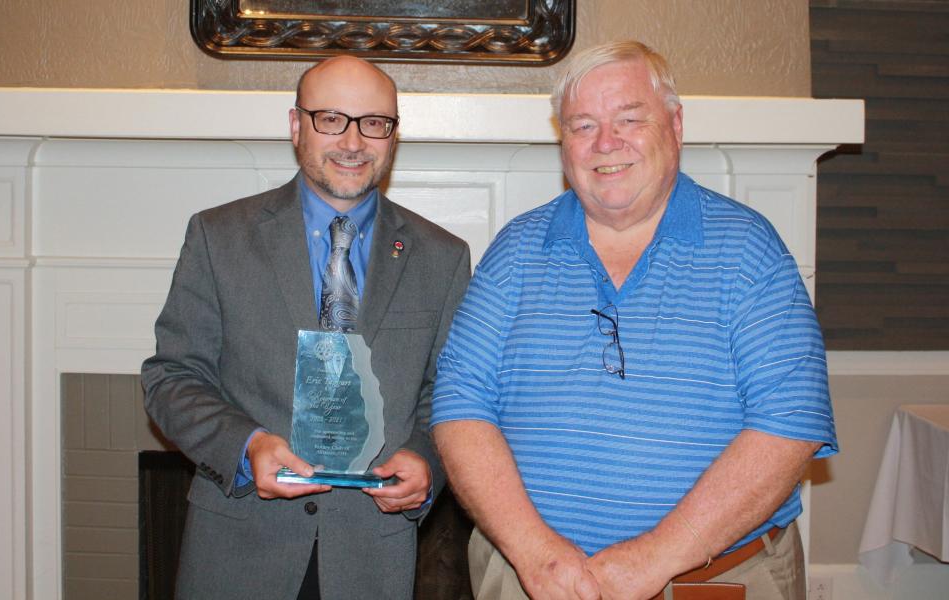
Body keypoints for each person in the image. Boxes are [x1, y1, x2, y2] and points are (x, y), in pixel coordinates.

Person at [431, 40, 837, 600]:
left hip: (714, 579)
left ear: (674, 124)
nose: (606, 143)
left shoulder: (748, 249)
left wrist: (658, 556)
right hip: (530, 579)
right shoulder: (516, 250)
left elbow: (791, 422)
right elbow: (459, 405)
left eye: (629, 118)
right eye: (582, 126)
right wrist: (536, 552)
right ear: (563, 141)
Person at [142, 55, 470, 600]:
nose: (353, 141)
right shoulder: (218, 236)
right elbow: (171, 378)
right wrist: (246, 446)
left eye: (374, 123)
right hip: (240, 546)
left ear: (393, 136)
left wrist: (426, 460)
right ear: (296, 126)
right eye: (331, 119)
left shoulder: (442, 257)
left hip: (372, 555)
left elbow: (453, 393)